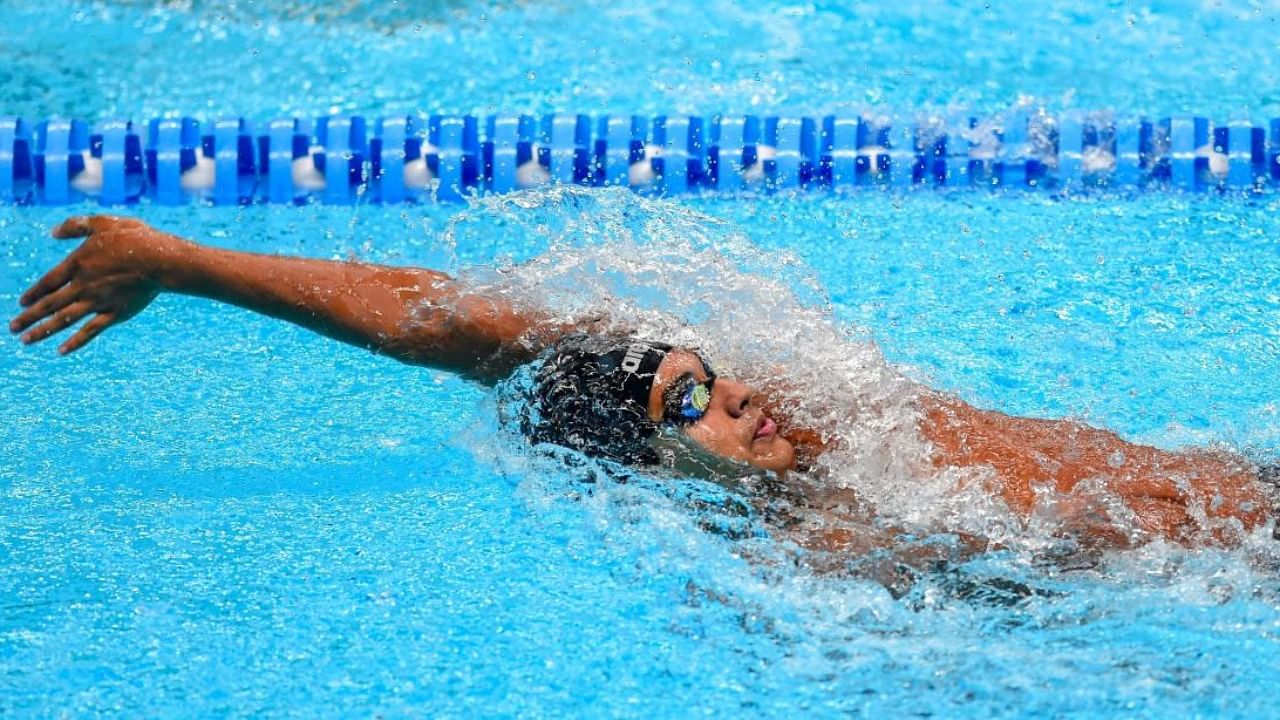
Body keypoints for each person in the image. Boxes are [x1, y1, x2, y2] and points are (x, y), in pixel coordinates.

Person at [8, 215, 1274, 562]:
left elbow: (450, 321)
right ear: (654, 473)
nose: (737, 398)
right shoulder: (825, 558)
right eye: (690, 410)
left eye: (704, 377)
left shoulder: (817, 406)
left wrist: (186, 262)